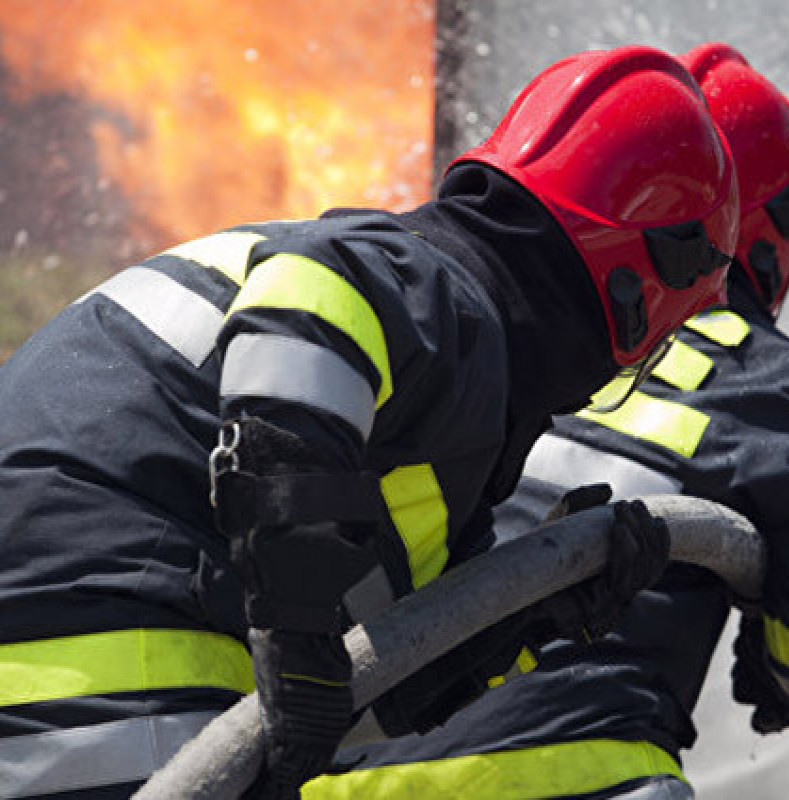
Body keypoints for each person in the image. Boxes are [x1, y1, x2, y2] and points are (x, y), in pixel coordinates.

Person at [0, 45, 740, 799]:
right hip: (99, 666)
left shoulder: (420, 397)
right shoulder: (429, 287)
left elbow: (367, 689)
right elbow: (313, 305)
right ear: (641, 287)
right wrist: (296, 632)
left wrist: (537, 614)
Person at [305, 43, 789, 800]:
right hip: (573, 776)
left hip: (339, 775)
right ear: (770, 227)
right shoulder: (767, 380)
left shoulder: (483, 328)